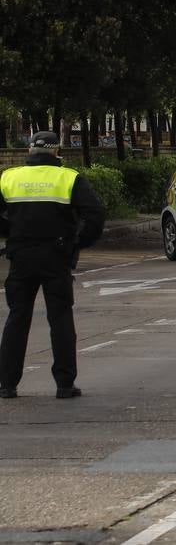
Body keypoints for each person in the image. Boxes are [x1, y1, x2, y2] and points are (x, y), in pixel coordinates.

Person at [0, 131, 105, 399]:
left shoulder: (9, 177)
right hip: (56, 256)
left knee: (17, 317)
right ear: (57, 153)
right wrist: (78, 243)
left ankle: (7, 385)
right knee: (60, 317)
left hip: (20, 255)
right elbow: (95, 213)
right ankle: (64, 384)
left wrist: (10, 232)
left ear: (29, 152)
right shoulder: (69, 178)